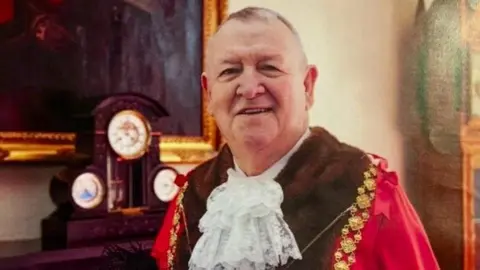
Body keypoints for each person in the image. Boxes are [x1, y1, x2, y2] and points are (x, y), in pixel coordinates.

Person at [104, 6, 440, 270]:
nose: (250, 89)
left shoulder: (372, 195)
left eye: (269, 68)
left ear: (307, 86)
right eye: (230, 71)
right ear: (208, 93)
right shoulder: (190, 196)